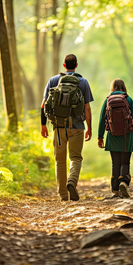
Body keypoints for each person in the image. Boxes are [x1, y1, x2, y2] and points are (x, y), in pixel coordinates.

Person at [41, 54, 94, 201]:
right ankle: (72, 181)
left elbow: (44, 105)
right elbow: (87, 108)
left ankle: (63, 195)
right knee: (75, 158)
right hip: (77, 127)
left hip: (58, 127)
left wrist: (43, 125)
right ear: (76, 65)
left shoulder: (53, 80)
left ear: (64, 65)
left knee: (60, 160)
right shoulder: (83, 82)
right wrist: (89, 128)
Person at [98, 79, 133, 198]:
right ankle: (124, 182)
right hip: (127, 137)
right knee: (125, 162)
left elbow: (102, 119)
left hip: (112, 137)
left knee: (115, 163)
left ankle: (115, 189)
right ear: (124, 87)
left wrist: (100, 136)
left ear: (112, 88)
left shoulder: (107, 100)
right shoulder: (128, 100)